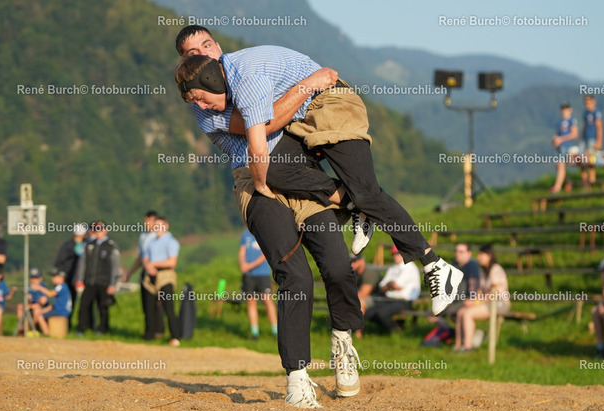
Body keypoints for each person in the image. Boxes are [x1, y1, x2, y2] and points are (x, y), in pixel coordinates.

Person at [174, 45, 463, 316]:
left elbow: (262, 137)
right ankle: (355, 207)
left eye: (199, 97)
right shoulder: (226, 89)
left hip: (331, 104)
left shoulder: (244, 79)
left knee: (366, 193)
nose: (201, 106)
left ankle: (434, 264)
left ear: (211, 78)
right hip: (303, 120)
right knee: (277, 169)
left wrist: (260, 186)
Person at [176, 25, 366, 408]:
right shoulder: (204, 106)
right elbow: (266, 123)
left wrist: (312, 86)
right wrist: (309, 83)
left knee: (337, 265)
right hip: (255, 180)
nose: (203, 53)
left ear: (217, 46)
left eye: (207, 44)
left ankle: (343, 341)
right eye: (192, 52)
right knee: (294, 274)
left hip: (297, 172)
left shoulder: (250, 70)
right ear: (187, 64)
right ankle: (297, 376)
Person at [454, 244, 510, 353]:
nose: (479, 257)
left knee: (468, 314)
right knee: (461, 312)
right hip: (488, 303)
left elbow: (493, 293)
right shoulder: (483, 271)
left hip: (500, 304)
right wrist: (473, 301)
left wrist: (476, 303)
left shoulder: (496, 269)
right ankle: (458, 345)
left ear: (489, 256)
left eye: (481, 254)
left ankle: (468, 346)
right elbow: (480, 291)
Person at [123, 210, 165, 340]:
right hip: (145, 271)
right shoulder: (143, 236)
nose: (146, 224)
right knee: (147, 303)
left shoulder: (160, 236)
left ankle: (159, 330)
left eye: (149, 221)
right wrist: (130, 272)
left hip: (157, 271)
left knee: (158, 302)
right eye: (145, 221)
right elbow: (141, 257)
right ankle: (149, 331)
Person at [75, 221, 119, 335]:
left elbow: (115, 266)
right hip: (90, 281)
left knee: (103, 306)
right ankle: (81, 329)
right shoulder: (89, 245)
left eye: (100, 229)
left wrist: (113, 284)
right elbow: (83, 263)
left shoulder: (110, 246)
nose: (98, 232)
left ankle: (103, 329)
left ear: (105, 230)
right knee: (84, 305)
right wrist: (80, 279)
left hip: (104, 281)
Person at [363, 245, 421, 333]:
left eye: (397, 253)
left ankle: (396, 331)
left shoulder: (409, 267)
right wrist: (391, 285)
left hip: (404, 301)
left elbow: (397, 285)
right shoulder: (393, 267)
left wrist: (389, 285)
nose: (395, 256)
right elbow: (382, 286)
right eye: (393, 254)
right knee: (368, 313)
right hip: (390, 299)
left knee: (382, 313)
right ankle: (395, 326)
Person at [143, 217, 181, 347]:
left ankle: (174, 336)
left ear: (166, 226)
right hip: (151, 275)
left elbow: (172, 262)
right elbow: (146, 258)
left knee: (168, 307)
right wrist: (148, 266)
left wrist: (154, 264)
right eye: (156, 225)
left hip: (165, 276)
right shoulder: (151, 242)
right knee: (149, 307)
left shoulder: (171, 241)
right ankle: (149, 334)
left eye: (160, 225)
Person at [239, 229, 278, 340]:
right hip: (249, 276)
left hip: (262, 274)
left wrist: (249, 266)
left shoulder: (264, 233)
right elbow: (242, 252)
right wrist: (242, 265)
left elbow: (265, 255)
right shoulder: (245, 235)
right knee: (251, 302)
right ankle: (254, 332)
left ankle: (275, 330)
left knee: (267, 300)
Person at [53, 223, 87, 329]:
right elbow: (60, 261)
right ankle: (67, 325)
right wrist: (60, 275)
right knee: (68, 302)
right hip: (68, 278)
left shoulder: (87, 244)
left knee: (84, 303)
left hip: (83, 278)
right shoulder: (68, 245)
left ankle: (84, 325)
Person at [30, 268, 72, 336]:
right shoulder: (61, 286)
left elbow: (50, 294)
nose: (52, 279)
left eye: (55, 277)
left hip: (61, 311)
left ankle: (46, 333)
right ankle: (36, 330)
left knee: (40, 316)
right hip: (59, 309)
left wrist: (39, 287)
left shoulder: (61, 286)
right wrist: (43, 310)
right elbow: (53, 305)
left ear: (61, 277)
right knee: (40, 312)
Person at [551, 102, 578, 193]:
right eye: (563, 109)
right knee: (559, 166)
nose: (564, 111)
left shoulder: (572, 121)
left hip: (568, 147)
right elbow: (557, 134)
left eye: (566, 109)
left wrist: (561, 139)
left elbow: (574, 134)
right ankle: (569, 183)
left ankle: (557, 187)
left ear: (570, 110)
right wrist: (555, 140)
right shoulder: (559, 122)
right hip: (559, 147)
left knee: (561, 165)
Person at [15, 267, 49, 335]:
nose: (34, 280)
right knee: (20, 306)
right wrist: (26, 295)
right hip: (30, 306)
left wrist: (35, 302)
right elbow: (25, 294)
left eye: (36, 278)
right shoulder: (29, 287)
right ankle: (22, 327)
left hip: (41, 308)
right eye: (32, 278)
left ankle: (29, 328)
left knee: (36, 309)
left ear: (40, 278)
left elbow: (43, 302)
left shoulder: (43, 287)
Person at [580, 95, 603, 186]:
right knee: (580, 158)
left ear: (594, 101)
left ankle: (592, 179)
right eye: (586, 102)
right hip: (585, 139)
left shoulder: (596, 113)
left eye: (589, 102)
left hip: (593, 138)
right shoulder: (585, 113)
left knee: (590, 159)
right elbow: (584, 126)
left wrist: (599, 141)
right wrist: (582, 137)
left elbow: (599, 127)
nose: (587, 104)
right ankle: (585, 178)